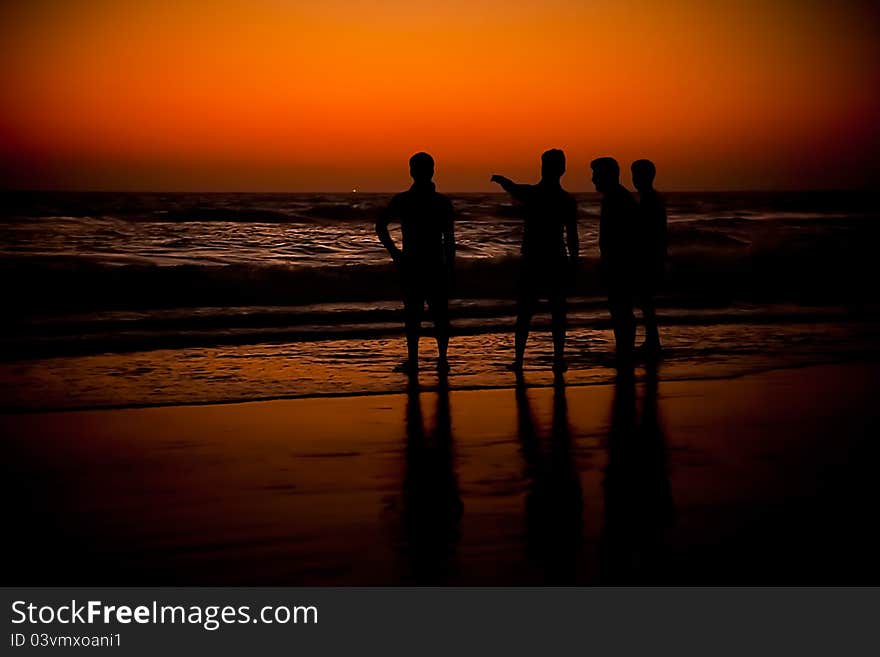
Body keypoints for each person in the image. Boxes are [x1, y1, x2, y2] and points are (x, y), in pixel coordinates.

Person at [491, 149, 579, 372]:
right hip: (556, 258)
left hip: (533, 259)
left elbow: (515, 188)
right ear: (563, 170)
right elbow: (572, 235)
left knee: (526, 313)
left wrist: (502, 180)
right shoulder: (566, 200)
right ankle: (557, 360)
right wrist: (574, 263)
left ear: (543, 168)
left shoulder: (533, 194)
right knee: (557, 313)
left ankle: (519, 361)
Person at [376, 152, 455, 375]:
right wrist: (451, 266)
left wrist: (395, 253)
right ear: (432, 171)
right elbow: (449, 240)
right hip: (434, 263)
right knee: (440, 315)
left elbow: (380, 225)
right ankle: (442, 360)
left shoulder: (403, 200)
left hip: (412, 263)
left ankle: (414, 361)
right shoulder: (441, 202)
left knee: (413, 315)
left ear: (412, 172)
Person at [591, 157, 639, 363]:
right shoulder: (618, 197)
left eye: (596, 174)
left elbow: (620, 236)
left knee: (621, 308)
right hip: (620, 262)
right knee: (621, 308)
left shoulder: (616, 199)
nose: (593, 179)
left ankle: (625, 352)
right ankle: (624, 350)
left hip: (620, 263)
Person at [631, 159, 667, 358]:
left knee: (646, 302)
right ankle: (652, 341)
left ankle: (653, 342)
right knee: (646, 302)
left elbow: (650, 232)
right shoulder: (652, 198)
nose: (634, 180)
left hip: (648, 257)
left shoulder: (649, 200)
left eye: (636, 175)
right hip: (652, 256)